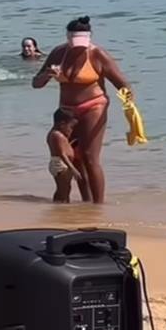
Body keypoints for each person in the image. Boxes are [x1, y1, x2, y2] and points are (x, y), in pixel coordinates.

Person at [32, 15, 132, 204]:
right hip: (66, 112)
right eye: (74, 42)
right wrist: (46, 74)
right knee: (74, 158)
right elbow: (36, 84)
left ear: (89, 38)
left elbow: (122, 84)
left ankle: (98, 204)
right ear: (68, 37)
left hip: (93, 106)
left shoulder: (97, 54)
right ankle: (86, 203)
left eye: (82, 42)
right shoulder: (58, 54)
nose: (79, 46)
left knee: (89, 157)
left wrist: (130, 108)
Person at [46, 107, 90, 203]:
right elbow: (62, 154)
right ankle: (59, 205)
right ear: (62, 124)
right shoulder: (56, 135)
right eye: (70, 127)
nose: (71, 130)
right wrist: (73, 169)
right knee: (63, 189)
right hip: (60, 164)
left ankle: (63, 204)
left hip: (62, 164)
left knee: (66, 188)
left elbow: (65, 148)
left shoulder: (59, 135)